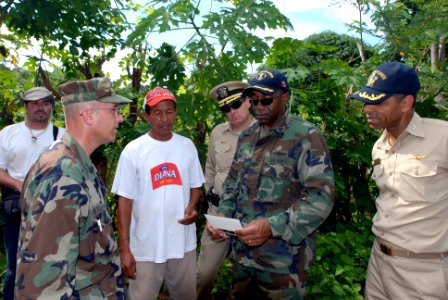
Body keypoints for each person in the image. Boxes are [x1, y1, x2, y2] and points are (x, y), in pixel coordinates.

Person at [207, 69, 335, 299]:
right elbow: (233, 182)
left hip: (284, 262)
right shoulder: (248, 136)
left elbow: (320, 197)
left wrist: (272, 226)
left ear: (284, 98)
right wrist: (224, 215)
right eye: (253, 100)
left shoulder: (306, 136)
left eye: (266, 100)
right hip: (243, 258)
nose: (259, 106)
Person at [15, 77, 131, 298]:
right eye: (114, 110)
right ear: (89, 116)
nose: (120, 117)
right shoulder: (63, 175)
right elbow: (44, 284)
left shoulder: (78, 163)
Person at [351, 61, 448, 299]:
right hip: (379, 262)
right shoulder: (380, 146)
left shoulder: (442, 137)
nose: (368, 109)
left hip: (424, 271)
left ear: (406, 103)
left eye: (379, 102)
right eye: (366, 101)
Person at [112, 87, 205, 300]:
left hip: (182, 244)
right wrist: (125, 249)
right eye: (157, 112)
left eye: (170, 111)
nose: (165, 119)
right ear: (146, 115)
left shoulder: (186, 146)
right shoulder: (134, 151)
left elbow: (195, 184)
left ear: (175, 113)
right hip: (145, 247)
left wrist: (191, 207)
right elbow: (124, 202)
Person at [0, 87, 64, 300]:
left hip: (52, 208)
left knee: (48, 264)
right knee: (14, 268)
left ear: (51, 106)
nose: (40, 107)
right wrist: (19, 184)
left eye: (45, 103)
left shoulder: (62, 135)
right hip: (16, 207)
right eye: (35, 103)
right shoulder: (8, 134)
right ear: (26, 106)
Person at [196, 81, 254, 299]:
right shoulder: (218, 132)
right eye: (225, 108)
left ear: (248, 101)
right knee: (204, 275)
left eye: (236, 104)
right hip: (218, 214)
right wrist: (210, 190)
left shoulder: (264, 133)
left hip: (251, 216)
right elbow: (210, 167)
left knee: (245, 280)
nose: (232, 112)